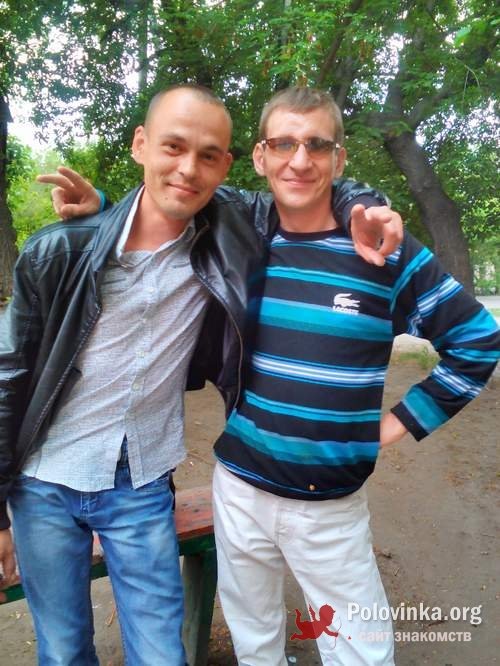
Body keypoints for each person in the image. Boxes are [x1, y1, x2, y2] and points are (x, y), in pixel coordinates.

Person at [0, 83, 403, 663]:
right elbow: (9, 376)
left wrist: (368, 205)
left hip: (139, 483)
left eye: (208, 155)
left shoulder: (228, 234)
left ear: (228, 165)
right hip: (43, 482)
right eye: (173, 147)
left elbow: (310, 181)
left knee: (161, 653)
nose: (189, 168)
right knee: (62, 652)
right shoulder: (58, 251)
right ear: (141, 144)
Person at [208, 88, 499, 665]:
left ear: (339, 159)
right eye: (283, 143)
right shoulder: (241, 240)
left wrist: (392, 426)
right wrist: (100, 207)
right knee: (254, 640)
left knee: (361, 652)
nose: (300, 159)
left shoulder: (383, 250)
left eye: (317, 145)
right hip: (237, 484)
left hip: (327, 506)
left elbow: (477, 342)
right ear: (260, 156)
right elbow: (172, 197)